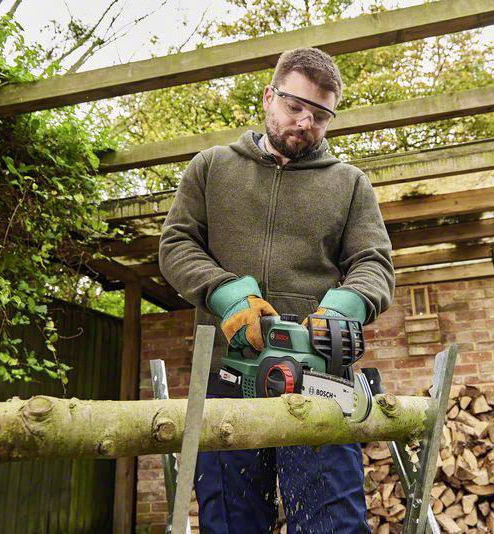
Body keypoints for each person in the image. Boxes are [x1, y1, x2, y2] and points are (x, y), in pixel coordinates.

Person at [159, 46, 395, 533]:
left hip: (319, 382)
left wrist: (344, 307)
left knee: (331, 523)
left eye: (320, 115)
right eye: (295, 107)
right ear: (269, 97)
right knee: (231, 521)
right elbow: (177, 245)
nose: (305, 123)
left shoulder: (349, 184)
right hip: (229, 378)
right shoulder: (212, 167)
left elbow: (373, 264)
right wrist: (225, 293)